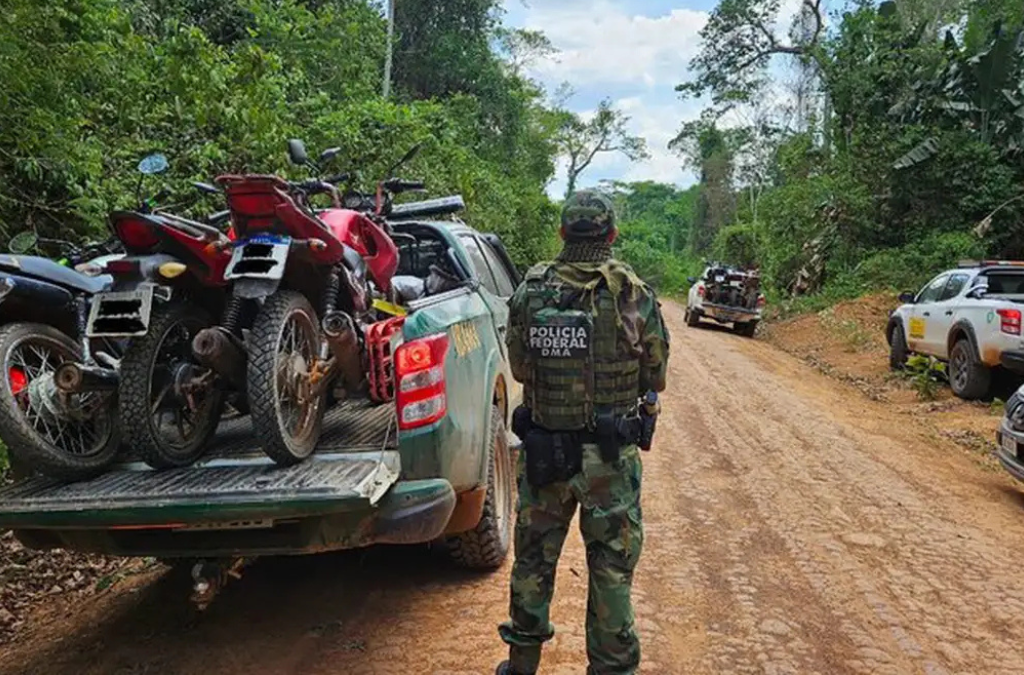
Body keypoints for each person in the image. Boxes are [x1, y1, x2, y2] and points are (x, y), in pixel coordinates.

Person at [496, 190, 670, 675]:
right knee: (612, 569)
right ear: (611, 235)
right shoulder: (634, 294)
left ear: (562, 234)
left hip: (546, 453)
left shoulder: (531, 291)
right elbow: (654, 377)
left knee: (533, 561)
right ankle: (613, 668)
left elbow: (520, 367)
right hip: (611, 460)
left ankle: (522, 664)